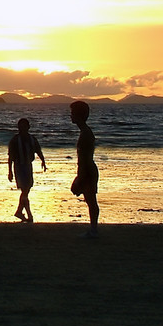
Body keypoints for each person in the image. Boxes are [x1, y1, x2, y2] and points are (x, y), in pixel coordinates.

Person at [69, 100, 99, 238]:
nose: (70, 116)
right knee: (90, 200)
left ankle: (94, 230)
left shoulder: (86, 134)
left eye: (72, 113)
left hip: (88, 170)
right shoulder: (85, 132)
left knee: (91, 200)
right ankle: (93, 229)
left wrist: (80, 178)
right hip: (87, 169)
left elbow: (85, 159)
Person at [7, 117, 47, 222]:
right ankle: (28, 214)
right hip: (19, 166)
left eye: (25, 126)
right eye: (21, 127)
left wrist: (43, 161)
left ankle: (20, 212)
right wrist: (10, 171)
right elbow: (10, 157)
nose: (22, 129)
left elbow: (38, 150)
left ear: (28, 127)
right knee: (25, 190)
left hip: (28, 166)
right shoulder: (15, 140)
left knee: (26, 190)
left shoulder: (32, 139)